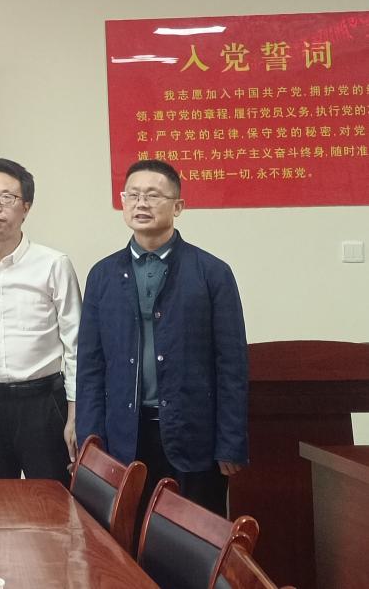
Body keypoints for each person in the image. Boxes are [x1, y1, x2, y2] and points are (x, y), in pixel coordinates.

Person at [77, 159, 248, 515]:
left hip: (193, 436)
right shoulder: (103, 275)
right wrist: (89, 441)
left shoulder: (212, 273)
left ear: (178, 206)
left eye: (153, 195)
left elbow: (231, 365)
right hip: (125, 436)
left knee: (194, 536)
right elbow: (90, 366)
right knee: (124, 537)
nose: (141, 203)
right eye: (133, 195)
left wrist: (230, 443)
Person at [0, 157, 82, 485]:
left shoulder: (53, 264)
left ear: (26, 207)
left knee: (52, 502)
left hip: (43, 404)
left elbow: (75, 344)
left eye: (7, 198)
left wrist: (75, 413)